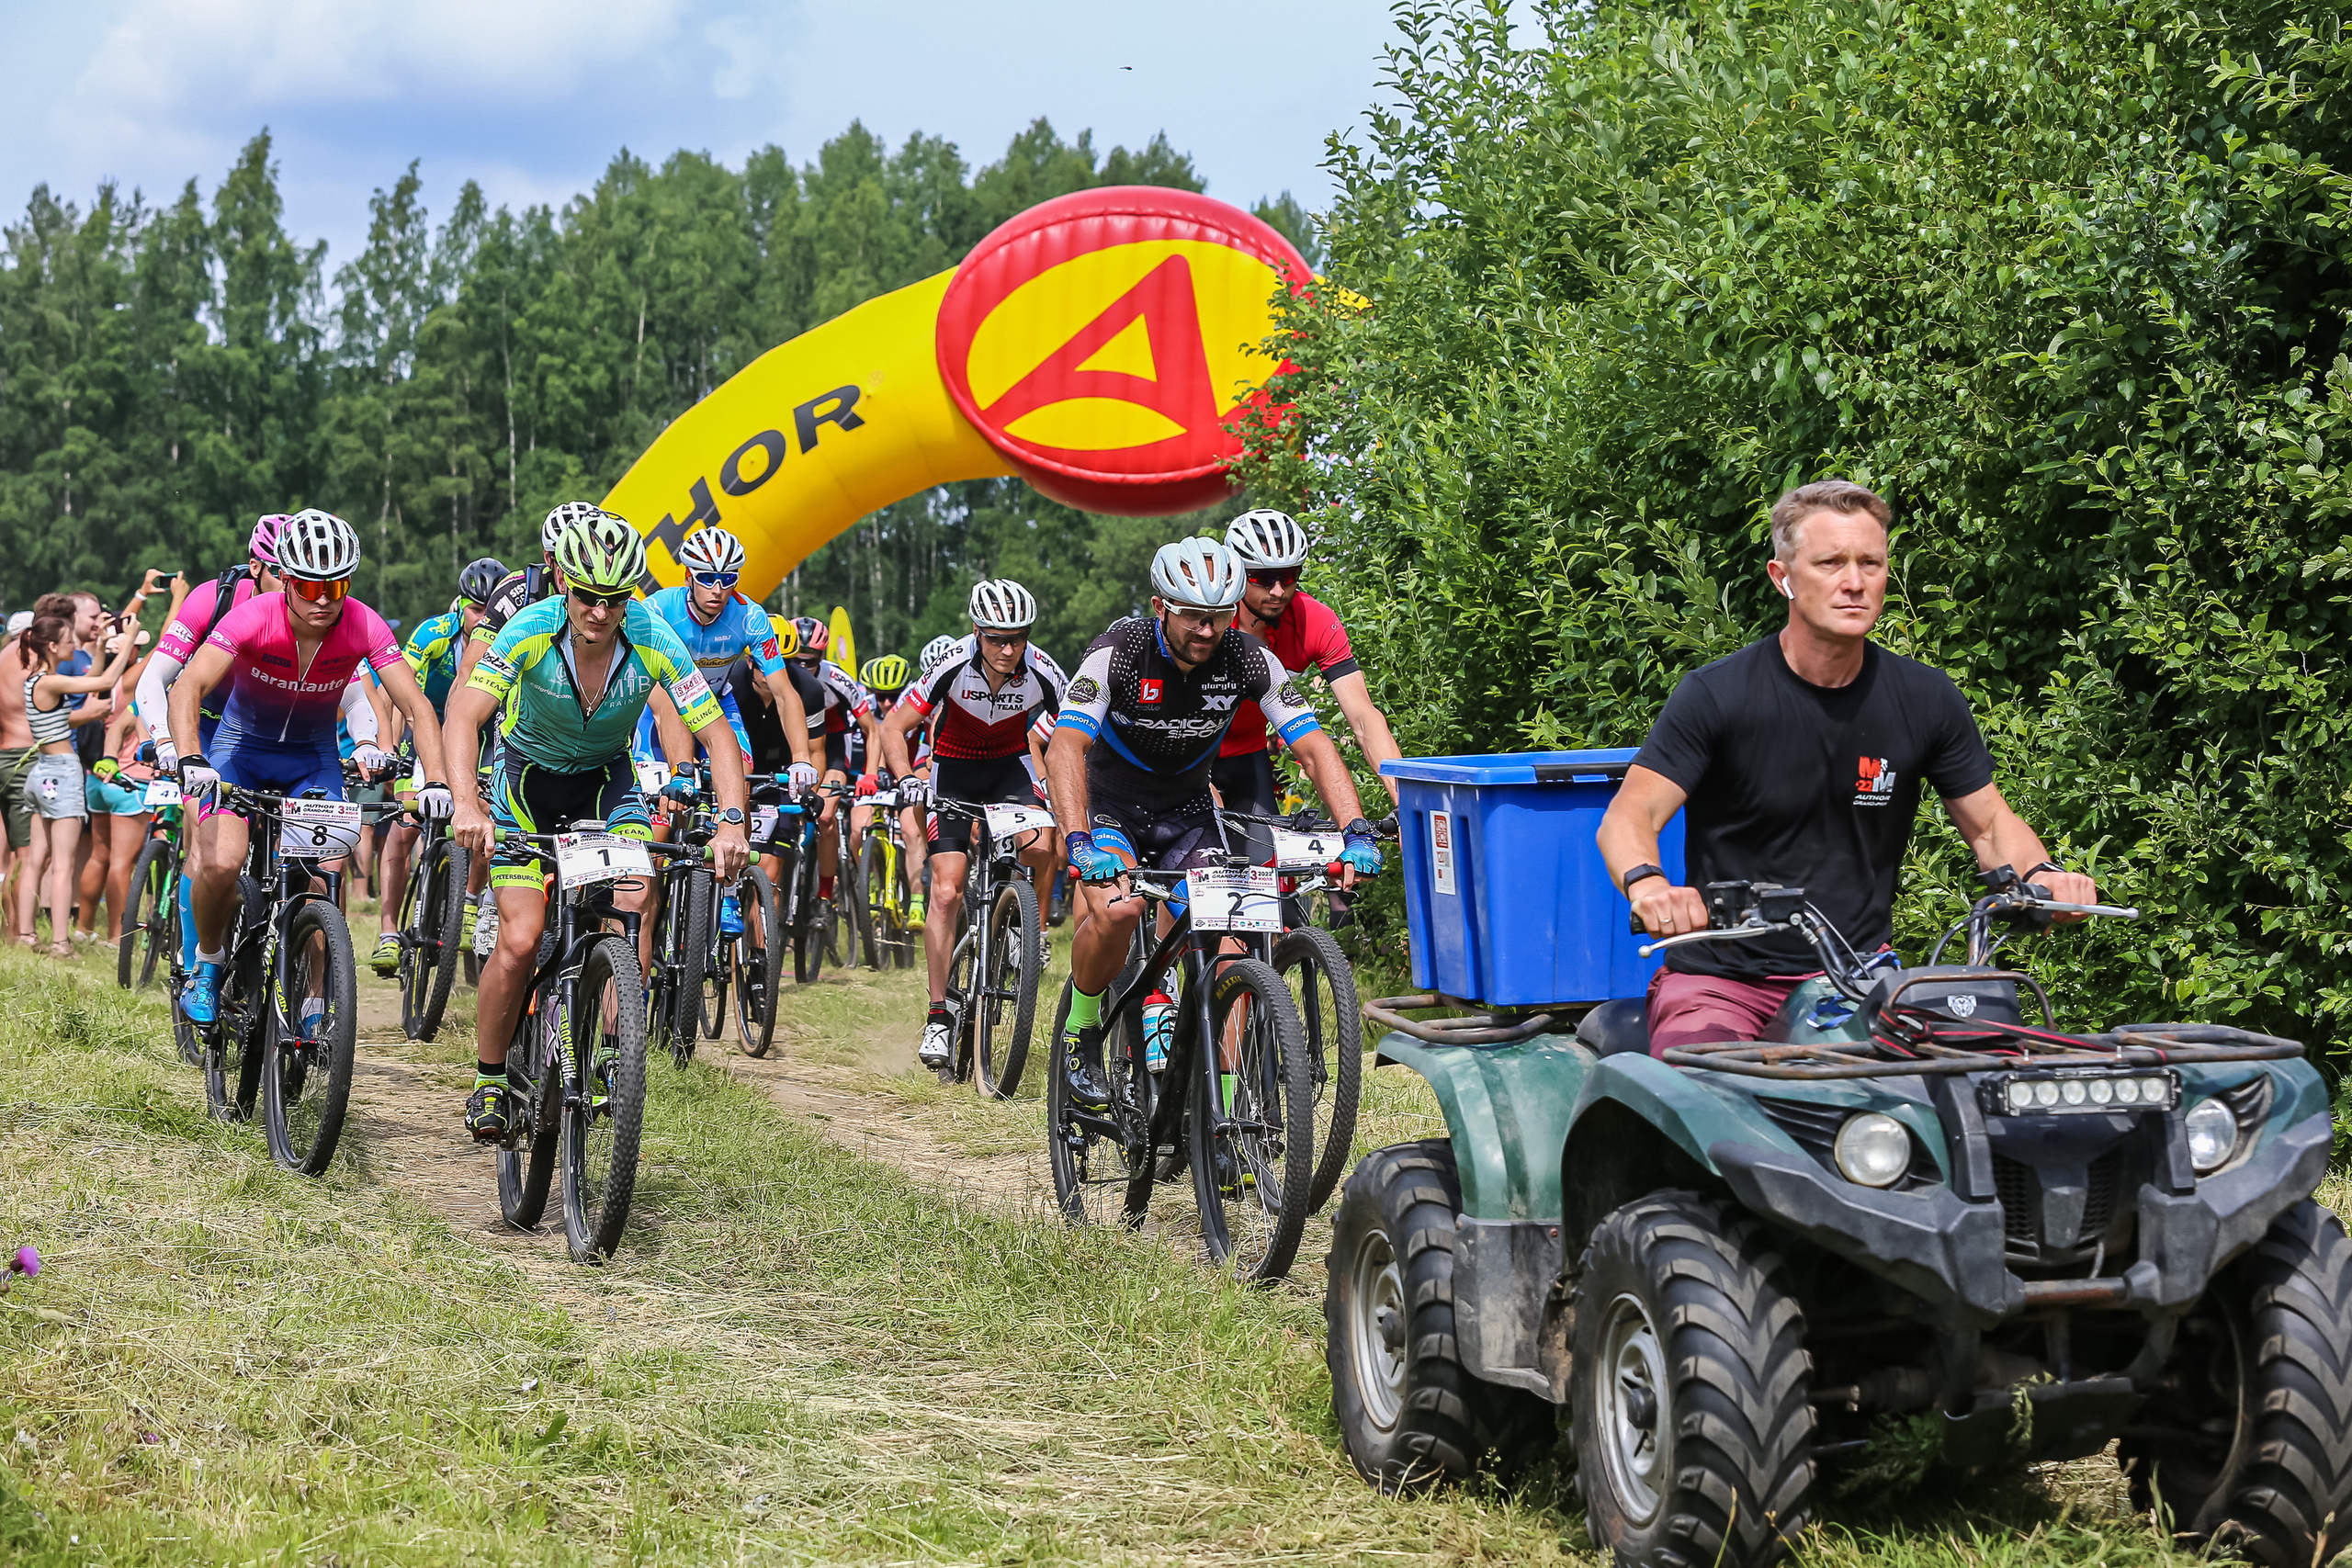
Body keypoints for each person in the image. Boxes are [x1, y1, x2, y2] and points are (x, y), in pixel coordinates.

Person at [1594, 479, 2100, 1055]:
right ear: (1782, 577)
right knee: (1703, 1084)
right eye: (1831, 563)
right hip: (1723, 982)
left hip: (1858, 979)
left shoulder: (1925, 698)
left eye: (1870, 563)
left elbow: (1989, 826)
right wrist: (1651, 885)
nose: (1854, 582)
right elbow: (1629, 817)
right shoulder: (1718, 695)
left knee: (1977, 1074)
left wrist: (2043, 876)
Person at [1046, 538, 1384, 1109]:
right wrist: (1078, 840)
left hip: (1188, 813)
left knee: (1232, 945)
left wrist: (1355, 830)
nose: (1207, 630)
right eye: (1193, 617)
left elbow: (1313, 747)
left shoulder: (1248, 657)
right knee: (1120, 909)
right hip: (1113, 807)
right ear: (1161, 607)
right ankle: (1081, 1032)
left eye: (1220, 616)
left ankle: (1223, 1112)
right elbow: (1065, 746)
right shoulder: (1119, 652)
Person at [445, 513, 751, 1141]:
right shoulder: (530, 629)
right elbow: (465, 718)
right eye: (587, 595)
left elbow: (717, 734)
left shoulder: (652, 635)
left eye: (615, 598)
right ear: (564, 581)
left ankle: (615, 1050)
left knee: (637, 898)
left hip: (608, 781)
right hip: (527, 782)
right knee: (521, 937)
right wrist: (467, 804)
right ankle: (490, 1078)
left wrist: (730, 822)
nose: (600, 611)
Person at [169, 511, 454, 1026]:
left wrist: (435, 779)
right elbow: (189, 685)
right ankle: (207, 966)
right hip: (239, 754)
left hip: (311, 760)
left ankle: (315, 1003)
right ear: (285, 580)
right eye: (308, 587)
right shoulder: (252, 617)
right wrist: (190, 755)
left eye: (336, 586)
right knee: (222, 862)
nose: (323, 600)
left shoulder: (363, 624)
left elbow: (415, 705)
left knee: (320, 879)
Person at [881, 581, 1068, 1070]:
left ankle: (1023, 926)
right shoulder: (951, 664)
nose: (1008, 649)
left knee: (1042, 846)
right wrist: (906, 778)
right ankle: (938, 1015)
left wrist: (1062, 783)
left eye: (1018, 638)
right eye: (997, 639)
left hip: (1010, 770)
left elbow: (1074, 729)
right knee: (946, 890)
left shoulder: (1043, 670)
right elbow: (893, 727)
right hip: (954, 770)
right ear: (976, 632)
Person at [639, 527, 815, 937]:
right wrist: (680, 767)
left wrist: (802, 758)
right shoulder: (658, 609)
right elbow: (655, 691)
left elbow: (785, 693)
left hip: (718, 707)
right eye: (706, 578)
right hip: (659, 708)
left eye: (728, 578)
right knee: (660, 827)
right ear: (688, 576)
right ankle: (648, 909)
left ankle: (730, 889)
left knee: (741, 784)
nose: (717, 589)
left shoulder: (750, 617)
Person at [1218, 509, 1406, 873]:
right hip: (1187, 756)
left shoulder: (1314, 620)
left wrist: (1406, 799)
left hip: (1246, 755)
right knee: (1193, 868)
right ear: (1236, 575)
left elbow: (1363, 718)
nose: (1278, 591)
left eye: (1289, 576)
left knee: (1265, 878)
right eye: (1262, 578)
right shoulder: (1210, 625)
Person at [368, 556, 505, 975]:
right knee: (405, 826)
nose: (482, 618)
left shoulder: (509, 636)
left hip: (482, 737)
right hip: (427, 733)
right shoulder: (434, 633)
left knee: (487, 820)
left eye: (490, 609)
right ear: (460, 605)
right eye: (476, 609)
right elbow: (396, 693)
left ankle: (469, 902)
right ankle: (388, 931)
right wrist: (390, 748)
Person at [20, 604, 139, 954]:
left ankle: (26, 934)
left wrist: (100, 648)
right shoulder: (51, 681)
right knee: (63, 864)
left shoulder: (37, 681)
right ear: (52, 646)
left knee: (35, 859)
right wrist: (129, 639)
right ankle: (61, 942)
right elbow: (103, 683)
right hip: (62, 773)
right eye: (68, 641)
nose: (74, 645)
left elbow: (87, 688)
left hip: (41, 773)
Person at [789, 616, 877, 908]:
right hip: (793, 746)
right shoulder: (776, 675)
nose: (803, 668)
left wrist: (870, 773)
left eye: (811, 661)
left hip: (833, 748)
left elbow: (871, 729)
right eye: (797, 661)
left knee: (826, 817)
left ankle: (826, 894)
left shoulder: (837, 679)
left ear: (823, 656)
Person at [857, 653, 931, 929]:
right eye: (881, 697)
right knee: (858, 829)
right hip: (882, 775)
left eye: (893, 696)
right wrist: (874, 774)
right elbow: (876, 741)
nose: (887, 702)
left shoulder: (915, 703)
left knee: (912, 832)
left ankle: (917, 903)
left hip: (912, 771)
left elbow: (925, 747)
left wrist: (915, 776)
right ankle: (869, 884)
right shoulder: (865, 707)